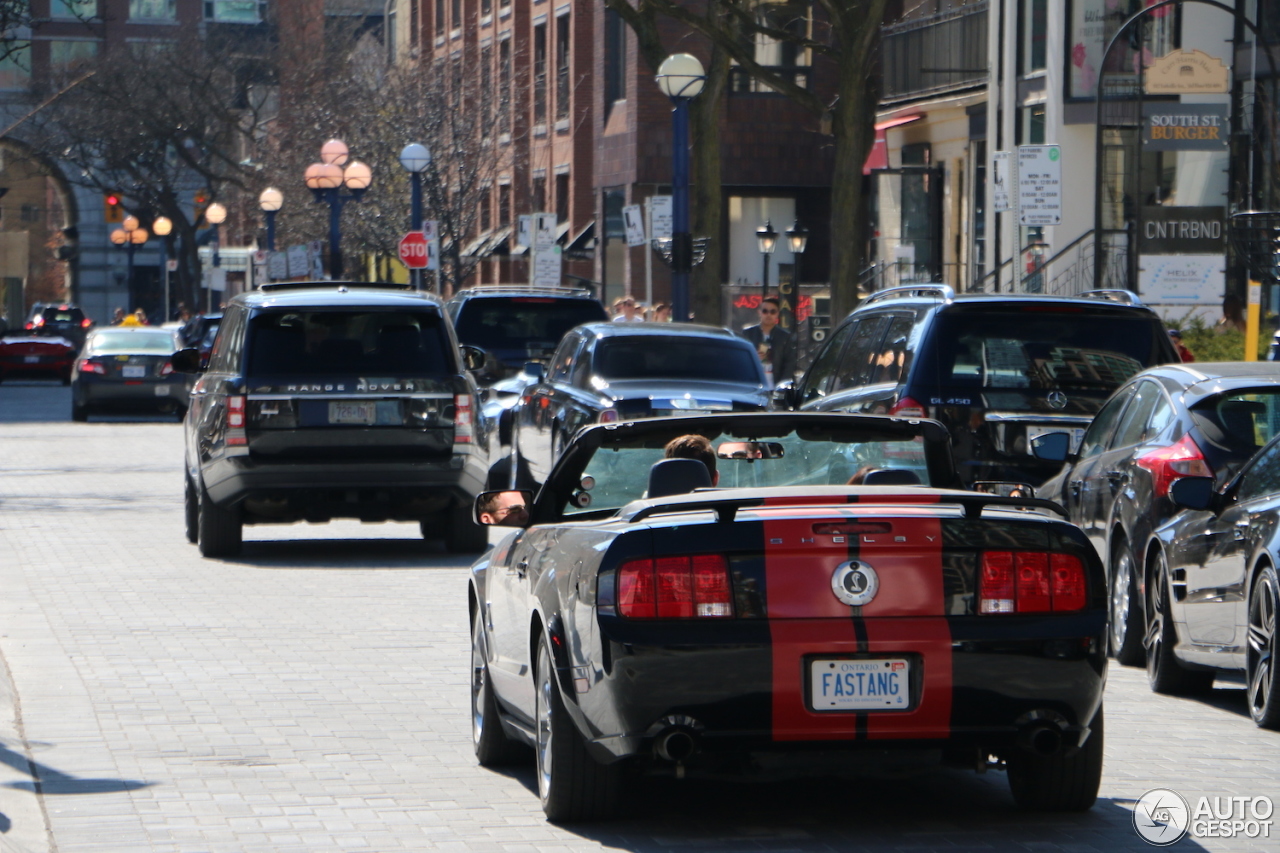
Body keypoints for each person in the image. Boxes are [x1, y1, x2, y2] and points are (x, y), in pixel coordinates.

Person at [738, 296, 797, 388]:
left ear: (777, 314)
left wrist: (782, 386)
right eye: (765, 311)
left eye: (772, 312)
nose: (768, 315)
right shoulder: (748, 333)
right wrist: (754, 357)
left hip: (775, 384)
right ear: (759, 313)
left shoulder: (785, 337)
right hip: (753, 384)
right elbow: (740, 358)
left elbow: (789, 363)